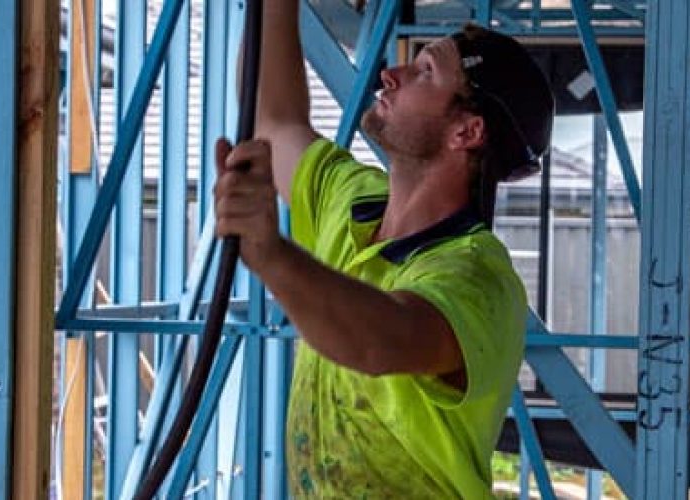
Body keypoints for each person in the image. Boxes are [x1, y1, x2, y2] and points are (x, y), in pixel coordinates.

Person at [212, 0, 554, 496]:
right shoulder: (350, 202)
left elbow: (381, 340)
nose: (392, 74)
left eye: (424, 71)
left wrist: (273, 254)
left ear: (467, 131)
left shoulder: (478, 278)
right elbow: (275, 123)